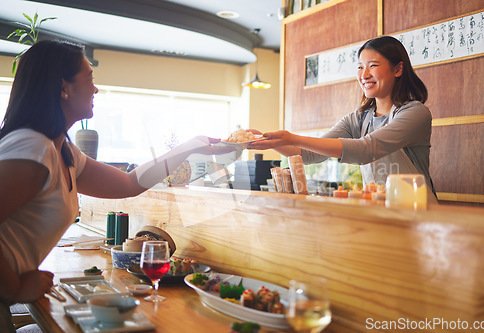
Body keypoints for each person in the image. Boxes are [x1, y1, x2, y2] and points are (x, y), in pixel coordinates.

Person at [0, 40, 224, 332]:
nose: (96, 89)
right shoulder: (33, 147)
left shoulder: (64, 152)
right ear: (63, 88)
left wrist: (190, 147)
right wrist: (16, 287)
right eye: (90, 79)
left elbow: (129, 184)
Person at [249, 36, 437, 201]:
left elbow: (366, 149)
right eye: (360, 67)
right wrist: (265, 141)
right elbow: (309, 154)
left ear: (397, 69)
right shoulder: (359, 119)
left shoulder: (415, 113)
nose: (364, 75)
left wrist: (292, 137)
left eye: (373, 66)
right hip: (380, 214)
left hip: (417, 213)